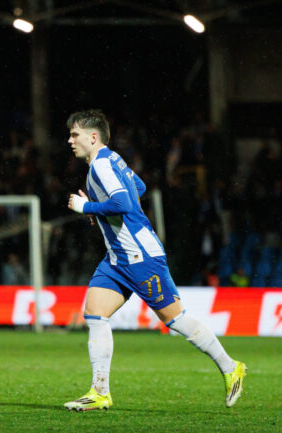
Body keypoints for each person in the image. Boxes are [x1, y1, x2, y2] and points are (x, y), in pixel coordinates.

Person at [63, 109, 246, 411]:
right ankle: (100, 392)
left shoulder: (100, 167)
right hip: (117, 259)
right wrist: (100, 210)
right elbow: (139, 189)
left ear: (93, 137)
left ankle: (230, 367)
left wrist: (88, 207)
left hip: (139, 256)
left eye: (75, 135)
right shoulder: (113, 159)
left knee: (175, 319)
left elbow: (123, 201)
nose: (70, 140)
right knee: (95, 313)